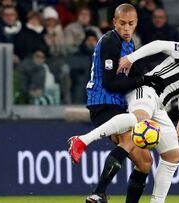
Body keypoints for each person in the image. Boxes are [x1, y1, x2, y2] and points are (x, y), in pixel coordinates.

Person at [69, 39, 179, 202]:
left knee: (173, 156)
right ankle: (83, 140)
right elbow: (160, 45)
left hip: (159, 105)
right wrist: (131, 58)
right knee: (139, 119)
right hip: (146, 89)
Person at [68, 3, 164, 203]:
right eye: (122, 23)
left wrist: (153, 79)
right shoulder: (111, 41)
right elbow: (110, 83)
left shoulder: (129, 44)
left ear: (136, 23)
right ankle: (99, 192)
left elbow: (136, 74)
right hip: (102, 102)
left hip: (117, 105)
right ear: (114, 22)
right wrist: (143, 80)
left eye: (131, 23)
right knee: (129, 140)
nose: (127, 28)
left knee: (146, 162)